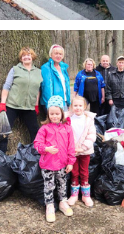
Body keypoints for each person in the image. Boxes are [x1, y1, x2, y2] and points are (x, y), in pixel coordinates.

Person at [33, 95, 76, 223]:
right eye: (51, 114)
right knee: (49, 186)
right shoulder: (44, 129)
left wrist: (71, 162)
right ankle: (50, 205)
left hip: (62, 164)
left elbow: (71, 147)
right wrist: (46, 149)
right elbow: (37, 143)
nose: (54, 116)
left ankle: (63, 202)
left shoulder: (67, 129)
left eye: (57, 113)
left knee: (63, 184)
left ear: (62, 113)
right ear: (48, 114)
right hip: (47, 164)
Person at [0, 47, 43, 153]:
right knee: (4, 131)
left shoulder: (38, 72)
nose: (26, 57)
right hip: (12, 105)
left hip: (29, 107)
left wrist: (36, 105)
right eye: (23, 55)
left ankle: (34, 154)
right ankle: (1, 154)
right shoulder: (15, 69)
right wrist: (3, 103)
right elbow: (6, 86)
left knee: (35, 131)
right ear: (21, 58)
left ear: (33, 57)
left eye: (28, 54)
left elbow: (38, 90)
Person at [65, 95, 96, 208]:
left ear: (85, 107)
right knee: (74, 172)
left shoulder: (89, 120)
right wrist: (70, 148)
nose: (78, 108)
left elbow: (91, 135)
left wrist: (83, 148)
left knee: (84, 172)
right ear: (71, 107)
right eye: (75, 105)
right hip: (72, 152)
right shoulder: (68, 119)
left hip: (84, 151)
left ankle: (85, 195)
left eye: (80, 105)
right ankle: (74, 194)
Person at [40, 44, 71, 114]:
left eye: (60, 54)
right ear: (51, 54)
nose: (58, 56)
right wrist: (50, 105)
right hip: (53, 103)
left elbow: (66, 86)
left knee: (64, 124)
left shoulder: (63, 68)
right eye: (56, 53)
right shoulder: (46, 68)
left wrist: (68, 102)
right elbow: (46, 87)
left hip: (64, 102)